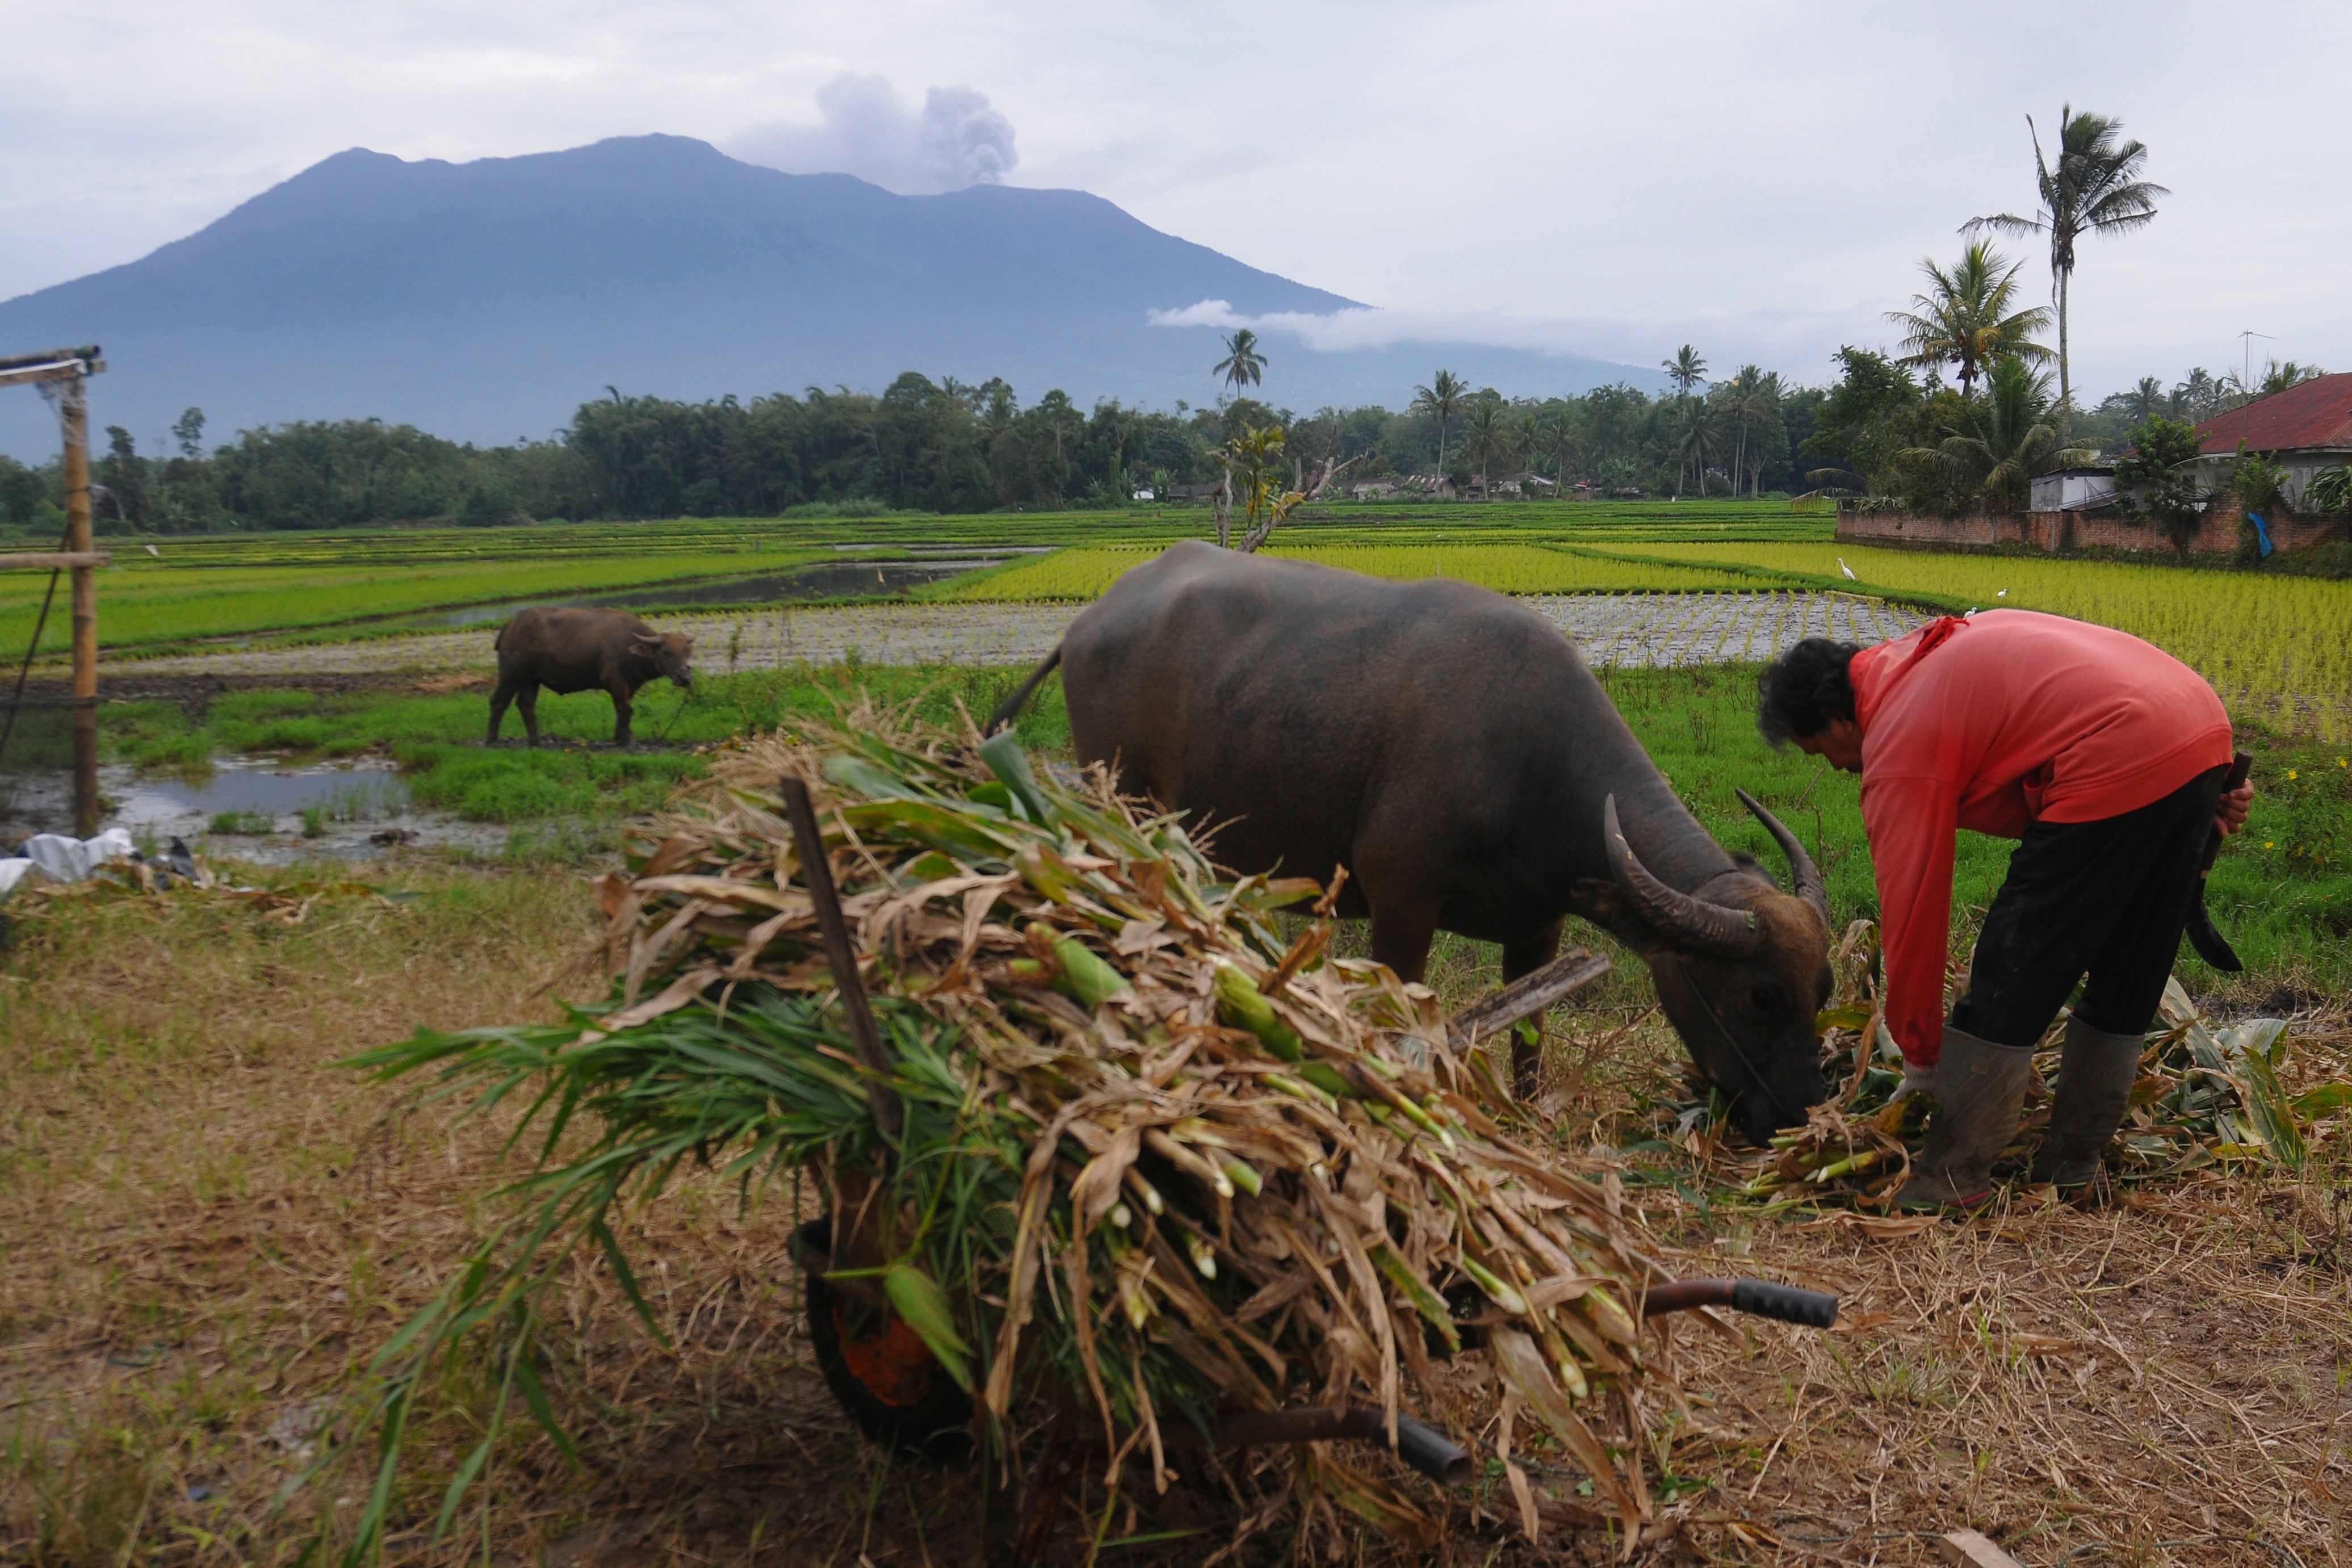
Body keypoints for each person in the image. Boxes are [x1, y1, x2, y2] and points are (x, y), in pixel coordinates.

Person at [1755, 610, 2253, 1208]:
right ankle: (2073, 1162)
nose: (1834, 765)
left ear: (1838, 717)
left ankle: (1951, 1175)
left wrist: (1919, 1057)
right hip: (2197, 723)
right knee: (2133, 962)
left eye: (1820, 749)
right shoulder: (1926, 655)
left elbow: (1913, 907)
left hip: (2120, 744)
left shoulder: (1899, 730)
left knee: (2016, 966)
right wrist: (2194, 788)